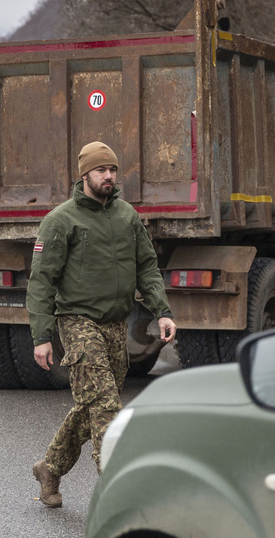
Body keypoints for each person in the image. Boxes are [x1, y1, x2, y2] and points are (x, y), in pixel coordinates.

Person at [27, 141, 176, 508]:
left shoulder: (127, 217)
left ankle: (50, 468)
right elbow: (42, 281)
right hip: (78, 322)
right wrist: (42, 336)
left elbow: (147, 268)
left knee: (92, 403)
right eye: (100, 170)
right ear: (85, 175)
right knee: (107, 405)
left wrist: (163, 310)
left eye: (112, 169)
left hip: (115, 324)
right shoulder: (61, 221)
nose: (108, 176)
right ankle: (118, 492)